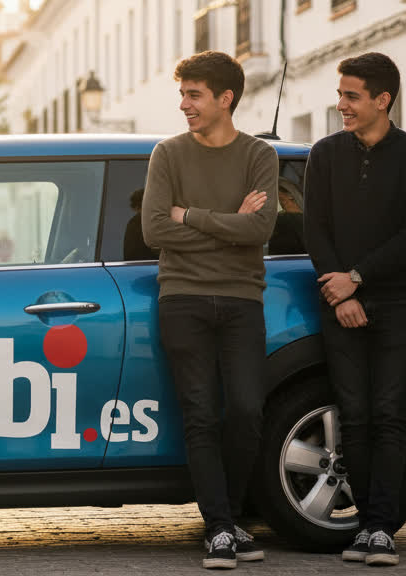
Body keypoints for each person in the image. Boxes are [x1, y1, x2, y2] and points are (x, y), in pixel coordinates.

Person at [141, 50, 278, 570]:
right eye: (183, 94)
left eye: (194, 95)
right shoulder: (168, 154)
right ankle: (220, 528)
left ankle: (232, 518)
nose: (184, 105)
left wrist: (191, 216)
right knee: (199, 415)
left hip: (244, 299)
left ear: (226, 99)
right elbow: (155, 230)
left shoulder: (258, 156)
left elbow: (259, 231)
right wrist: (227, 225)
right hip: (184, 299)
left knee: (246, 410)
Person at [304, 52, 406, 568]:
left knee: (388, 416)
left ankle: (382, 529)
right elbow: (315, 228)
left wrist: (356, 279)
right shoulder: (326, 154)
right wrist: (343, 293)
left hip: (398, 304)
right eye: (340, 95)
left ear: (383, 100)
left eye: (351, 96)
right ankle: (364, 525)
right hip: (341, 306)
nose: (342, 105)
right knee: (353, 418)